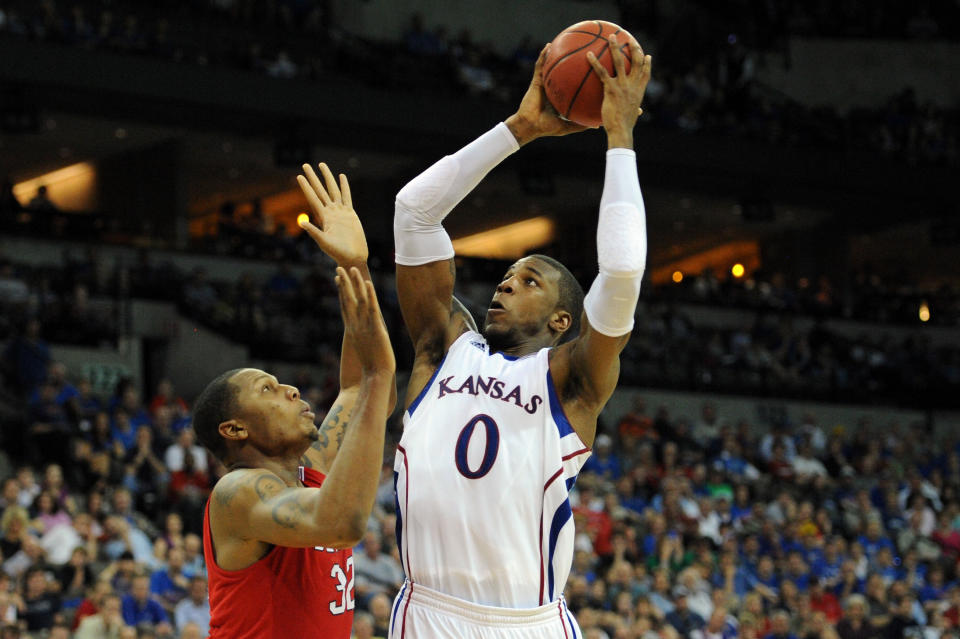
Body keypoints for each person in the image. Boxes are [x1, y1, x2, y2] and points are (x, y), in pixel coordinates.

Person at [390, 36, 651, 637]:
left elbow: (623, 272)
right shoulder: (444, 348)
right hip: (428, 613)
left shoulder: (572, 379)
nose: (504, 287)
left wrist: (619, 138)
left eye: (527, 280)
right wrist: (520, 128)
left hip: (526, 622)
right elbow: (414, 212)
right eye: (506, 277)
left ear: (564, 319)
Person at [194, 163, 396, 638]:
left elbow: (354, 390)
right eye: (267, 389)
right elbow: (341, 521)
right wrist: (381, 374)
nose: (291, 390)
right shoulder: (238, 493)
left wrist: (354, 265)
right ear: (234, 429)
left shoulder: (313, 468)